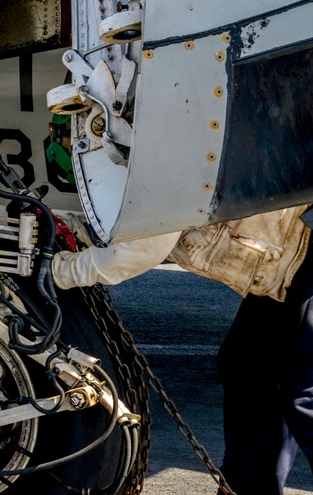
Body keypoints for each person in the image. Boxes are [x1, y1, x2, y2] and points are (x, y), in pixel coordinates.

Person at [51, 206, 313, 495]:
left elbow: (150, 241)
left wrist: (61, 271)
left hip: (306, 249)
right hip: (291, 260)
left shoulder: (161, 163)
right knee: (248, 366)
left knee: (305, 393)